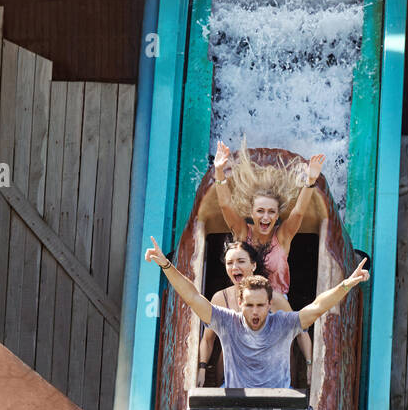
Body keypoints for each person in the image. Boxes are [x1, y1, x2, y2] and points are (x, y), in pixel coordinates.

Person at [145, 237, 369, 391]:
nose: (255, 311)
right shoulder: (226, 320)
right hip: (235, 398)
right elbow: (192, 296)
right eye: (249, 305)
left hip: (277, 400)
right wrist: (165, 265)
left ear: (270, 304)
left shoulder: (282, 322)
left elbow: (318, 306)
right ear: (239, 302)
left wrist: (347, 284)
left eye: (260, 306)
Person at [213, 137, 324, 297]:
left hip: (276, 303)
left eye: (271, 212)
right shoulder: (243, 234)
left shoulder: (282, 237)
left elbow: (298, 211)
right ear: (252, 213)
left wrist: (311, 181)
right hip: (246, 302)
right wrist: (219, 171)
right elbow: (225, 205)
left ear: (277, 215)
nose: (266, 217)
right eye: (260, 211)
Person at [198, 239, 312, 387]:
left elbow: (300, 332)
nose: (235, 267)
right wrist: (202, 368)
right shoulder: (220, 298)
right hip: (232, 380)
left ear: (253, 265)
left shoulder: (274, 299)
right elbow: (207, 339)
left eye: (240, 261)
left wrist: (309, 364)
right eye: (229, 262)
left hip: (272, 381)